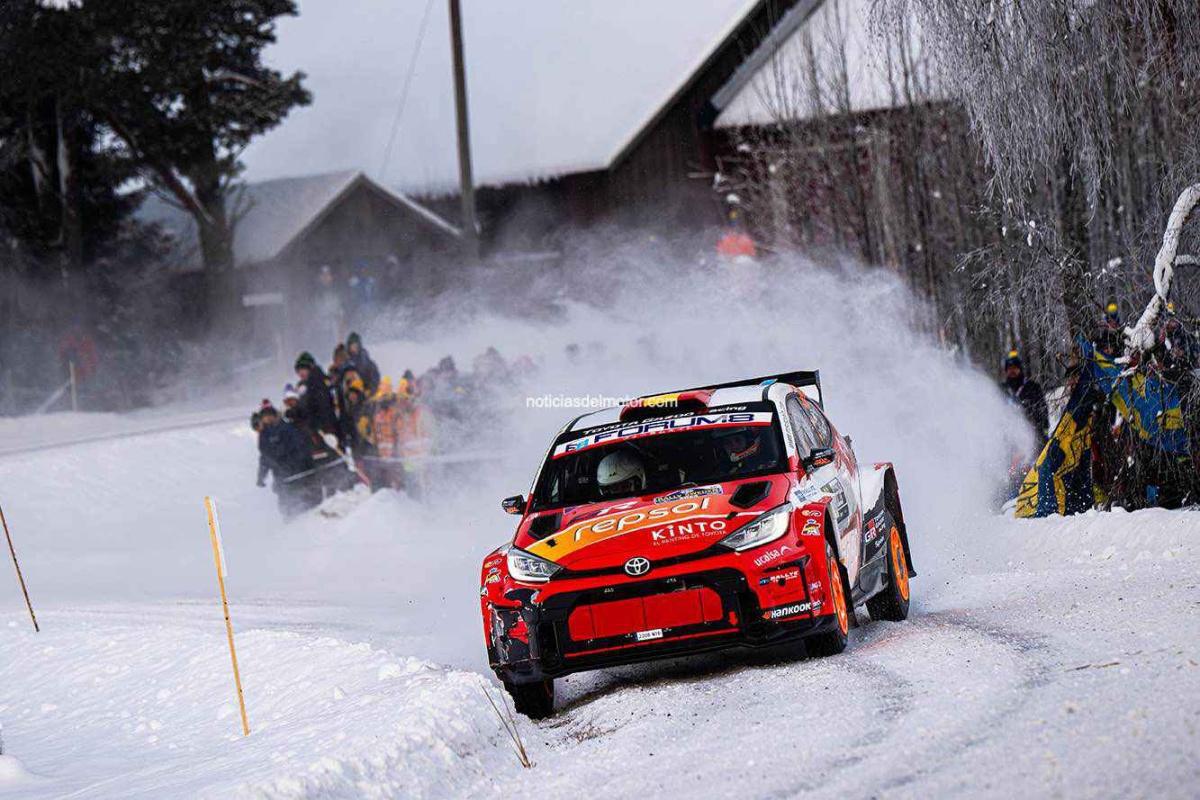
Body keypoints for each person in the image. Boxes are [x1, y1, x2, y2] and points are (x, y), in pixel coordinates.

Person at [256, 404, 320, 518]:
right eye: (265, 417)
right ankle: (290, 520)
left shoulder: (287, 428)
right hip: (280, 475)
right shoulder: (264, 434)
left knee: (305, 498)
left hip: (297, 471)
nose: (268, 419)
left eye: (270, 415)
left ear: (275, 415)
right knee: (285, 504)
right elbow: (264, 457)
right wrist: (261, 476)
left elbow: (299, 447)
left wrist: (294, 462)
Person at [1002, 350, 1050, 443]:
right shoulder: (1002, 389)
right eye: (1009, 368)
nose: (1012, 370)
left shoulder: (1032, 387)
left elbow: (1043, 412)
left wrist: (1044, 433)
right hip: (1009, 440)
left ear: (1020, 368)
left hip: (1033, 437)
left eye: (1015, 368)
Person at [294, 351, 339, 436]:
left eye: (303, 369)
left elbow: (323, 407)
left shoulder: (317, 382)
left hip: (324, 429)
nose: (301, 373)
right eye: (299, 370)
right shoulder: (303, 385)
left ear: (310, 368)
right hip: (313, 430)